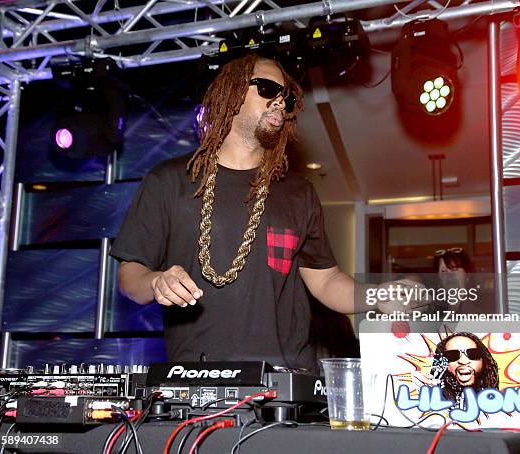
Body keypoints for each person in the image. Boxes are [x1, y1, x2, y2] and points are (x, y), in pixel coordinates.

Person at [110, 53, 364, 373]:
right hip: (196, 378)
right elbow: (130, 276)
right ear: (230, 92)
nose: (280, 103)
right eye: (269, 89)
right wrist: (156, 282)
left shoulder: (298, 193)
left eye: (287, 98)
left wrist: (381, 294)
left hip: (284, 380)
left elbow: (326, 282)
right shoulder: (168, 180)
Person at [434, 332, 499, 407]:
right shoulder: (433, 394)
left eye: (473, 354)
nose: (463, 361)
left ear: (484, 360)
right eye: (452, 355)